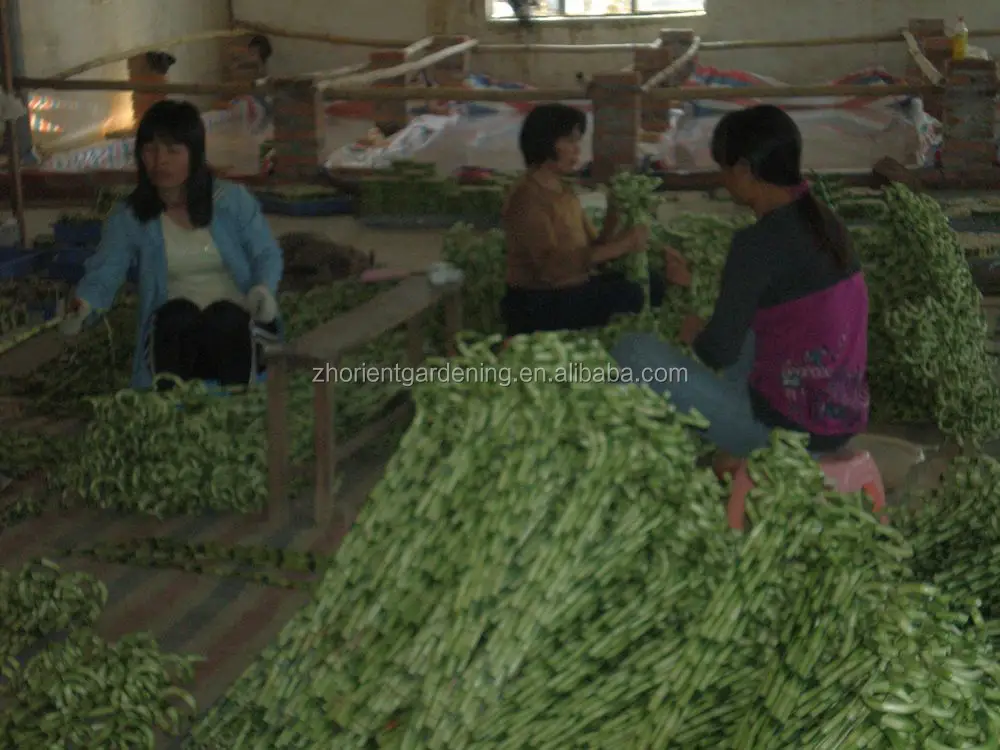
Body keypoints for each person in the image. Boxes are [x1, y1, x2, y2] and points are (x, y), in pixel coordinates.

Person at [610, 105, 869, 472]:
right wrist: (694, 290)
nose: (723, 180)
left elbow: (717, 351)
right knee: (751, 329)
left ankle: (743, 450)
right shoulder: (825, 221)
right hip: (841, 418)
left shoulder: (756, 242)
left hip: (786, 434)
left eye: (725, 169)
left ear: (745, 170)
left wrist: (694, 332)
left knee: (632, 351)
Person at [60, 99, 283, 390]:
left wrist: (263, 289)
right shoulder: (130, 216)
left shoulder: (231, 201)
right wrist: (84, 305)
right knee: (177, 316)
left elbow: (265, 252)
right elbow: (105, 272)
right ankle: (172, 405)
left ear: (194, 154)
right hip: (174, 335)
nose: (159, 161)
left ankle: (239, 398)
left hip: (237, 328)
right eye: (150, 150)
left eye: (172, 150)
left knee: (224, 318)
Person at [500, 103, 691, 335]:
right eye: (570, 141)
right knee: (632, 296)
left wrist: (614, 216)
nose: (577, 151)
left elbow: (595, 252)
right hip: (539, 301)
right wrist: (623, 245)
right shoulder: (527, 198)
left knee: (652, 283)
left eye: (577, 142)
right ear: (545, 142)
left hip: (572, 287)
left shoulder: (564, 192)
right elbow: (550, 269)